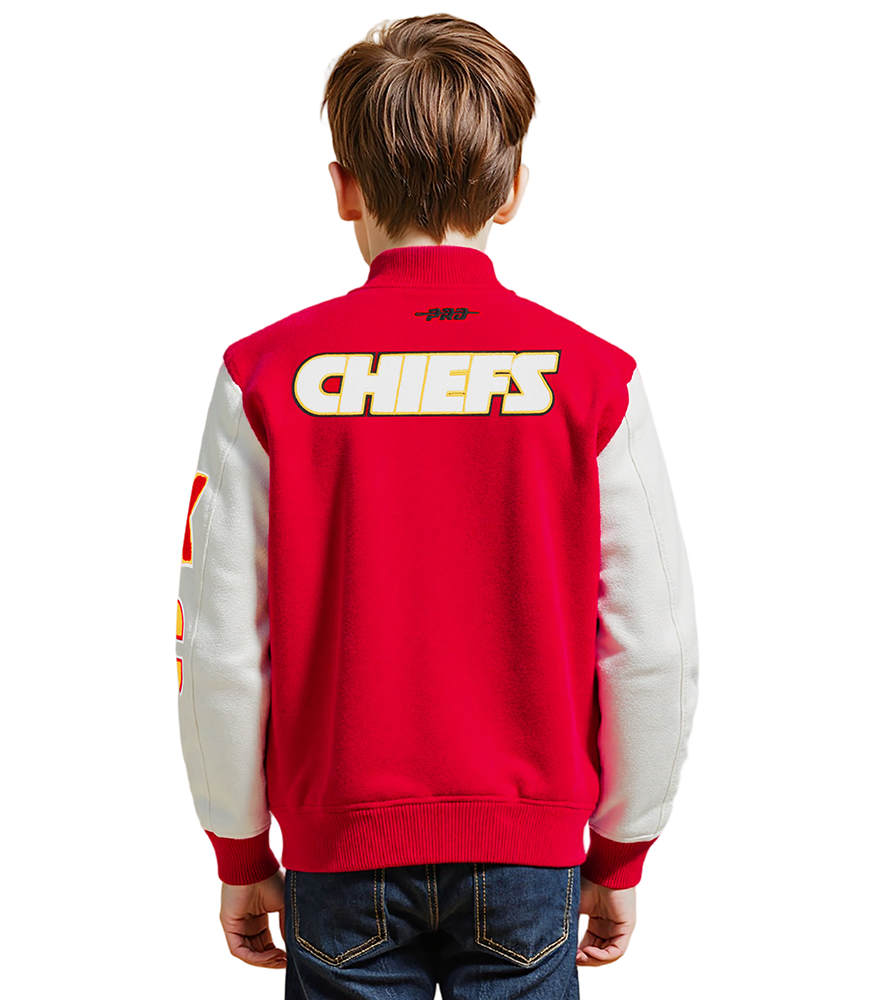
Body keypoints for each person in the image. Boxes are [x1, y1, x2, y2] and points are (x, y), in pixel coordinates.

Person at [175, 13, 699, 999]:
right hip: (529, 854)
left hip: (341, 852)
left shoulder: (266, 376)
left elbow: (217, 645)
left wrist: (239, 848)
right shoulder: (594, 379)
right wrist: (622, 849)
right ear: (512, 190)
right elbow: (652, 642)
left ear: (343, 188)